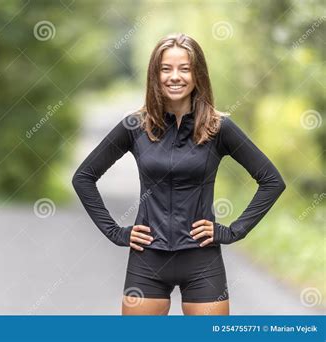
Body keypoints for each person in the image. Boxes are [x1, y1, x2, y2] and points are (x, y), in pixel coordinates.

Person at [71, 33, 286, 315]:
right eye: (166, 69)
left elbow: (272, 181)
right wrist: (115, 232)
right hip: (147, 260)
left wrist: (234, 231)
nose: (175, 76)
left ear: (198, 75)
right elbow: (84, 177)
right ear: (155, 75)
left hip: (202, 261)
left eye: (184, 68)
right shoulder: (135, 125)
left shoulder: (219, 127)